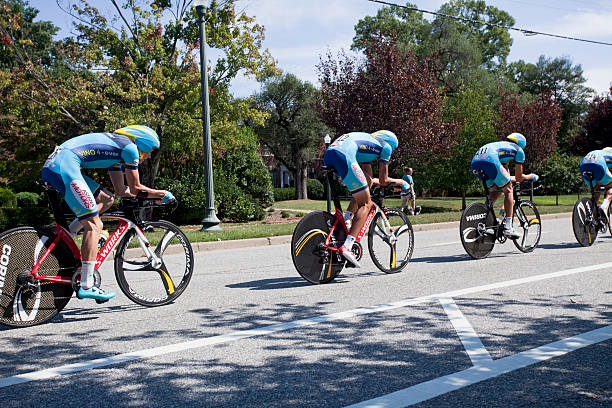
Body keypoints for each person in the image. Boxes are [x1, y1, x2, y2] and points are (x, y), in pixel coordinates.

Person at [41, 125, 175, 301]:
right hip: (64, 166)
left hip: (59, 163)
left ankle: (67, 238)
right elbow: (136, 187)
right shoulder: (130, 149)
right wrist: (162, 194)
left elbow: (122, 190)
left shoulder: (119, 153)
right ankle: (87, 285)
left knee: (107, 199)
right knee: (95, 225)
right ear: (142, 143)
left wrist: (149, 196)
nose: (149, 155)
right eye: (150, 150)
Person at [323, 130, 404, 268]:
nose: (391, 152)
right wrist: (401, 182)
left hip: (330, 154)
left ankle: (347, 219)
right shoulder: (386, 146)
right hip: (344, 155)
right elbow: (384, 180)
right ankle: (347, 247)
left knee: (363, 188)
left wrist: (376, 183)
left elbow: (369, 180)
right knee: (366, 203)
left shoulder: (368, 146)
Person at [470, 133, 538, 239]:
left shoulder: (502, 147)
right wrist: (530, 176)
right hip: (491, 160)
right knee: (509, 190)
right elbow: (518, 178)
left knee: (497, 190)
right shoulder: (519, 151)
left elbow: (506, 176)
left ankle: (485, 221)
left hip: (475, 162)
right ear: (522, 144)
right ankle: (508, 227)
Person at [578, 147, 612, 220]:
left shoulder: (600, 152)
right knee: (610, 186)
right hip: (598, 164)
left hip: (583, 165)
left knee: (596, 189)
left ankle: (592, 212)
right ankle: (604, 206)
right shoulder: (610, 154)